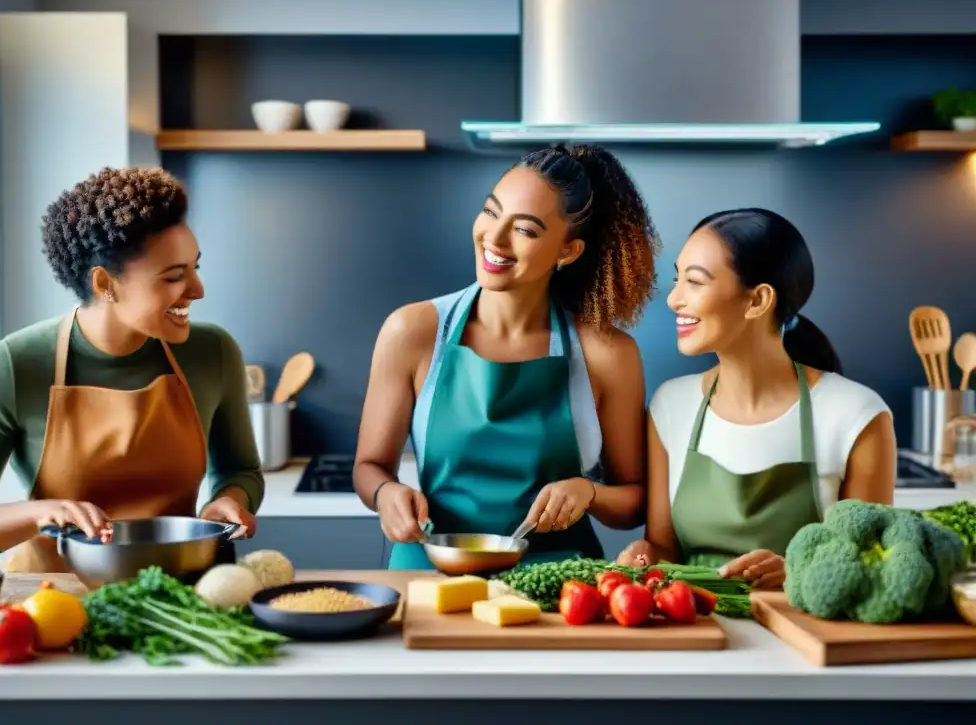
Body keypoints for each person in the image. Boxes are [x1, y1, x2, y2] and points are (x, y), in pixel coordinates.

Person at [353, 144, 661, 569]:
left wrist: (588, 492)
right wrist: (385, 494)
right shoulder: (413, 331)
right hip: (430, 571)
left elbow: (633, 502)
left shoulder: (608, 355)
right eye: (490, 212)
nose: (494, 239)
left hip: (561, 585)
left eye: (526, 230)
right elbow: (369, 467)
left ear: (568, 252)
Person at [0, 167, 263, 571]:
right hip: (52, 601)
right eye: (173, 277)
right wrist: (38, 514)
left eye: (195, 269)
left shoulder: (212, 352)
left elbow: (240, 469)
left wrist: (229, 500)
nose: (197, 291)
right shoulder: (17, 364)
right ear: (104, 284)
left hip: (178, 596)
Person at [617, 208, 896, 589]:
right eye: (676, 280)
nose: (674, 300)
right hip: (695, 628)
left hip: (804, 637)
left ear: (758, 300)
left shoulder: (856, 416)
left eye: (695, 283)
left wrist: (800, 572)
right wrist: (642, 555)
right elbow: (665, 552)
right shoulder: (671, 407)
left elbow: (875, 565)